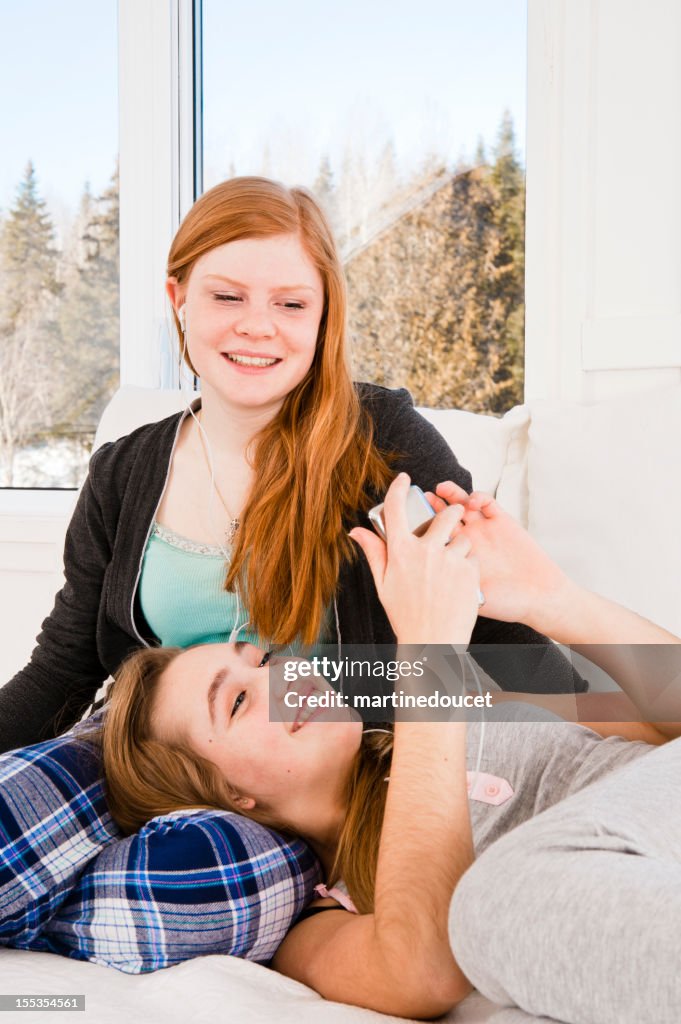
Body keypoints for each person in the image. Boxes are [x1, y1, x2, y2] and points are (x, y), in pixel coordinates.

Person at [0, 176, 586, 755]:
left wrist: (609, 727)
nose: (257, 326)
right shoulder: (120, 474)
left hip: (328, 794)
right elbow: (62, 670)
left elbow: (493, 626)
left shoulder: (384, 439)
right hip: (156, 776)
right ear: (177, 299)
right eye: (227, 296)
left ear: (324, 314)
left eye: (291, 303)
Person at [101, 474, 681, 1023]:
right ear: (224, 793)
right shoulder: (317, 924)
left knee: (493, 905)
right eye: (237, 703)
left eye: (267, 660)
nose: (284, 682)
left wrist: (551, 599)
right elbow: (424, 970)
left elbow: (665, 729)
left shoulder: (469, 713)